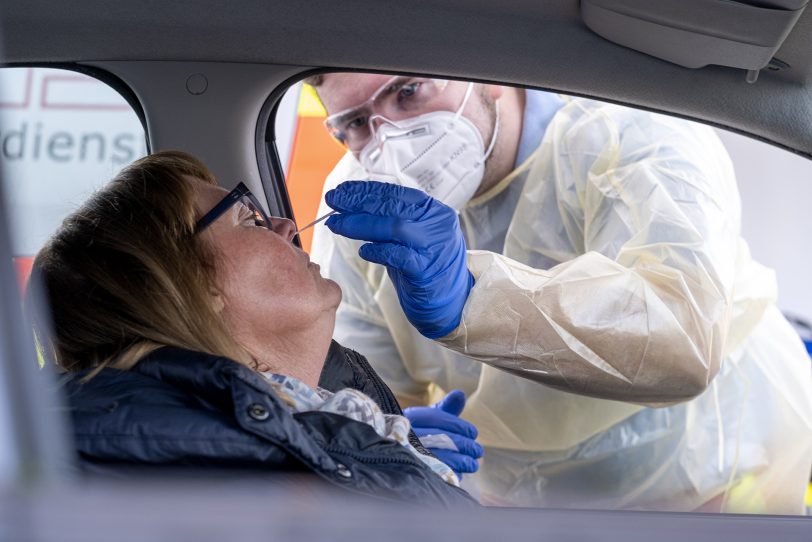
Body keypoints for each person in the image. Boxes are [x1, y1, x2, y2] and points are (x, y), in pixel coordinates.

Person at [306, 73, 812, 513]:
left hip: (713, 472)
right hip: (515, 499)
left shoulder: (632, 132)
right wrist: (391, 436)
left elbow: (683, 335)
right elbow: (364, 383)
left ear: (486, 73)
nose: (389, 138)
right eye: (354, 124)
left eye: (408, 93)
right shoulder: (364, 205)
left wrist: (473, 301)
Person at [27, 150, 477, 507]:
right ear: (193, 288)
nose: (284, 225)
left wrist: (384, 453)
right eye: (250, 220)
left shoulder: (332, 413)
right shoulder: (219, 479)